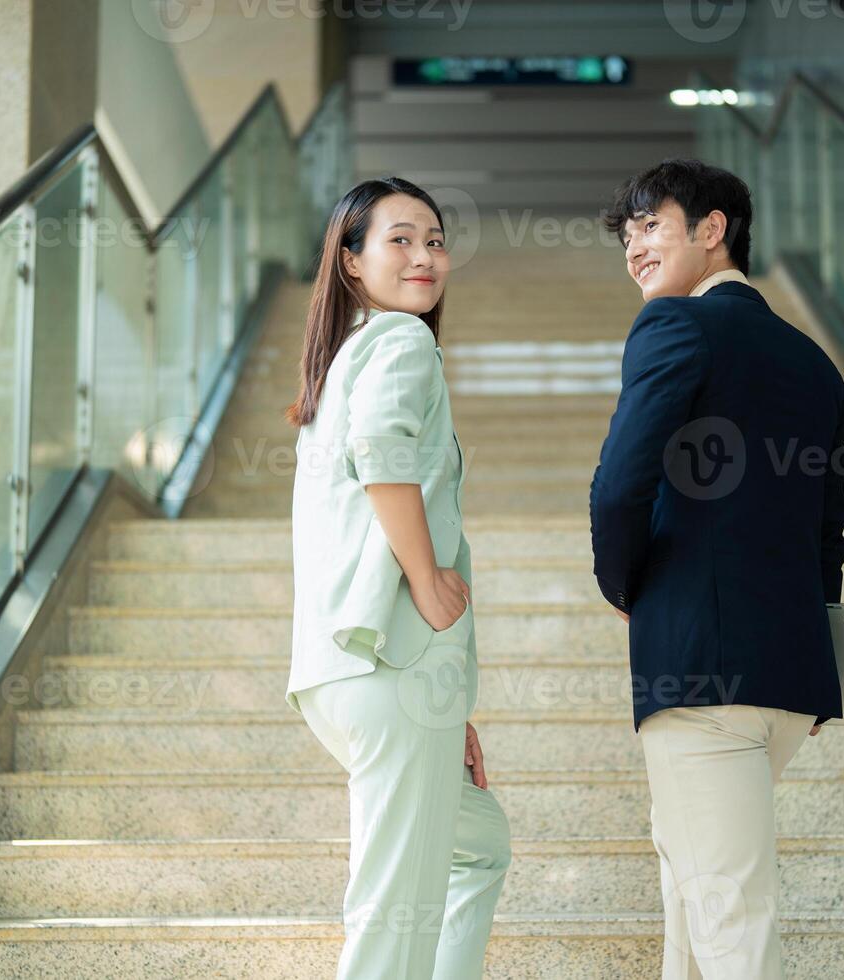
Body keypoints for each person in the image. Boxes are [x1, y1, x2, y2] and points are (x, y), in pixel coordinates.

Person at [590, 158, 844, 979]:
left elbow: (619, 482)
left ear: (713, 230)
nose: (635, 249)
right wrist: (821, 658)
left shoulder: (673, 326)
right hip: (785, 682)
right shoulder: (814, 362)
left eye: (652, 226)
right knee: (692, 900)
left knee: (731, 918)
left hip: (697, 678)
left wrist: (624, 587)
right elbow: (827, 534)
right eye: (626, 236)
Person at [284, 176, 511, 980]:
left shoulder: (346, 358)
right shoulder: (402, 343)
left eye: (436, 240)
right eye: (401, 239)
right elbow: (384, 454)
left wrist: (445, 709)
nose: (426, 256)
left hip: (358, 676)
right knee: (391, 908)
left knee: (478, 848)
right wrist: (429, 580)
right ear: (350, 261)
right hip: (388, 665)